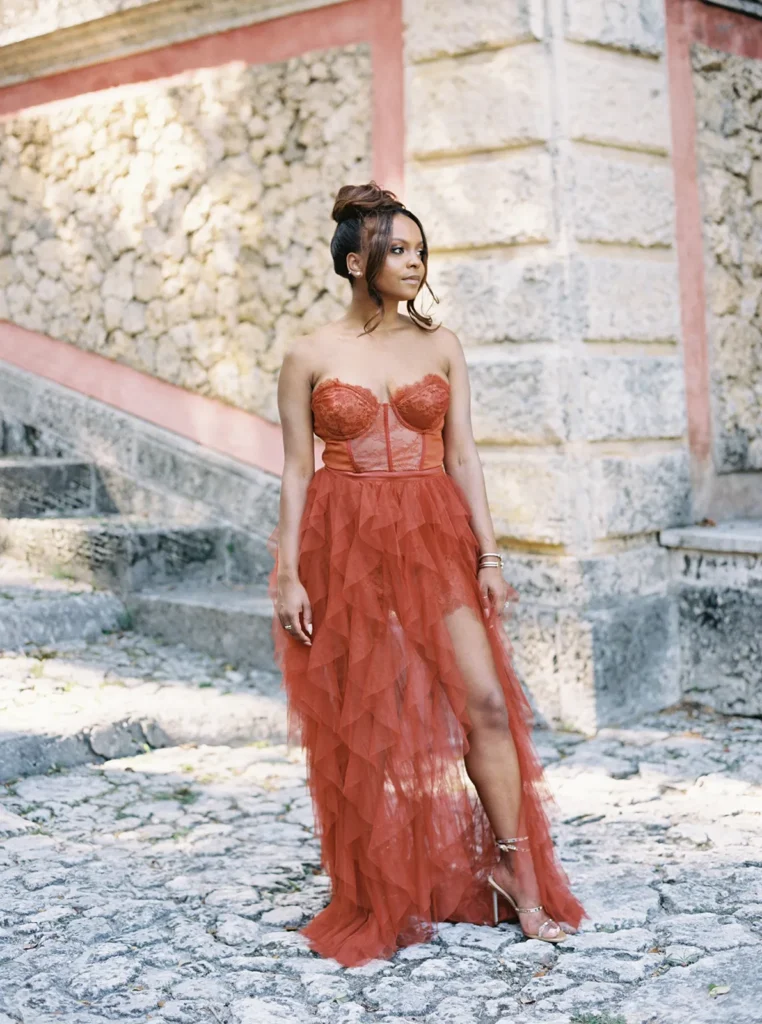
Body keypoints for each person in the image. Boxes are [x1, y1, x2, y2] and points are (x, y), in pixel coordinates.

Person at [266, 181, 588, 967]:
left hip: (434, 532)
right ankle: (379, 884)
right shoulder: (308, 355)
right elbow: (295, 471)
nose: (414, 262)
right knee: (371, 716)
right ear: (354, 261)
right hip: (344, 539)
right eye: (397, 250)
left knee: (483, 699)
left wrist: (490, 554)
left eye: (419, 250)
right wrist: (287, 572)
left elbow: (465, 453)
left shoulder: (440, 344)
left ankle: (516, 867)